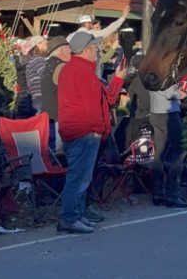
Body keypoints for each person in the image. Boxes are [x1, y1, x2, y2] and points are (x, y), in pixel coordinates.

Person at [56, 32, 126, 234]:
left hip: (78, 130)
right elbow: (93, 105)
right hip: (84, 131)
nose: (98, 51)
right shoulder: (82, 71)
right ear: (86, 48)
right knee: (79, 177)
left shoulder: (75, 69)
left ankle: (76, 215)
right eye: (95, 47)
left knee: (80, 177)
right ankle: (69, 218)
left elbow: (103, 99)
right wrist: (98, 130)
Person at [149, 81, 187, 208]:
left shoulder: (150, 70)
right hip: (169, 113)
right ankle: (172, 192)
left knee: (160, 153)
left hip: (155, 111)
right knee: (182, 150)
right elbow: (168, 93)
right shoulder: (165, 67)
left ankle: (158, 192)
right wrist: (180, 94)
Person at [40, 36, 71, 153]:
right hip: (58, 117)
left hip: (48, 114)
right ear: (62, 51)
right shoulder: (62, 66)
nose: (71, 52)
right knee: (60, 153)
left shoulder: (48, 64)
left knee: (50, 153)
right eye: (69, 49)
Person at [24, 35, 48, 113]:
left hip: (36, 98)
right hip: (40, 98)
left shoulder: (32, 59)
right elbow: (47, 75)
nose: (47, 46)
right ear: (38, 45)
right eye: (45, 44)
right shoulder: (38, 60)